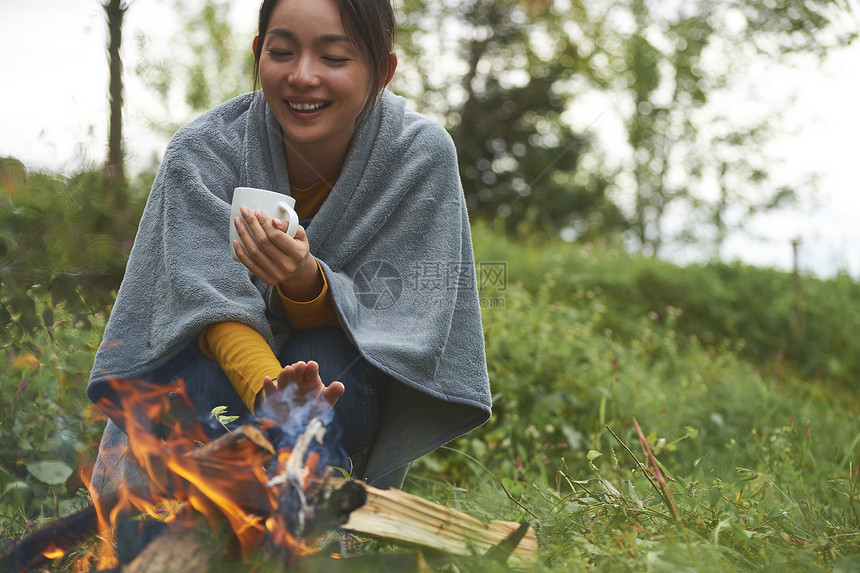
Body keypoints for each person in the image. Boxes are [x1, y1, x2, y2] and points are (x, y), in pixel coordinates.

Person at [88, 0, 491, 493]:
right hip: (218, 385)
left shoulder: (417, 155)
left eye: (334, 58)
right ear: (259, 53)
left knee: (326, 356)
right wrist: (270, 394)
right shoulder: (203, 150)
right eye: (282, 52)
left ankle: (318, 508)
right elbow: (202, 302)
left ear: (383, 70)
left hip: (341, 395)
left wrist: (304, 282)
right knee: (199, 373)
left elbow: (403, 318)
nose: (302, 76)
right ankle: (197, 506)